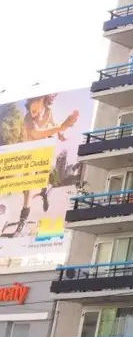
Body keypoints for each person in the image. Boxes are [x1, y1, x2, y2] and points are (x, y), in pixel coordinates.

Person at [9, 95, 79, 237]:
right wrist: (62, 126)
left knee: (42, 176)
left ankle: (43, 192)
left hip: (43, 151)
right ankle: (22, 221)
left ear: (43, 101)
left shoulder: (48, 111)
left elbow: (52, 125)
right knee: (28, 188)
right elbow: (36, 134)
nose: (33, 111)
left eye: (36, 103)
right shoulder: (28, 119)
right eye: (31, 106)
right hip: (29, 154)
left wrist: (60, 133)